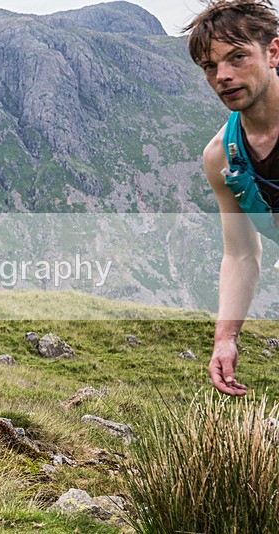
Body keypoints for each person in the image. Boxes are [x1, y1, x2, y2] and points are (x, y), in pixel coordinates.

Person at [184, 0, 279, 396]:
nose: (223, 75)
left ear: (273, 52)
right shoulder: (222, 156)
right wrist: (226, 336)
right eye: (210, 66)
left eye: (237, 57)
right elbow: (241, 254)